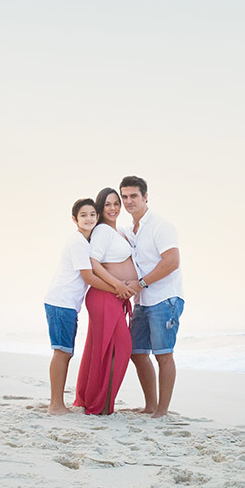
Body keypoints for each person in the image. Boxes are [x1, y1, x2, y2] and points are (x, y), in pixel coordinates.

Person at [43, 198, 116, 415]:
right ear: (75, 219)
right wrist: (117, 289)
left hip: (66, 305)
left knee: (64, 352)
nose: (89, 218)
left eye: (92, 214)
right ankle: (55, 404)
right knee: (62, 352)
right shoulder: (78, 242)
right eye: (83, 215)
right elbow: (89, 276)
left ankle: (56, 402)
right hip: (61, 303)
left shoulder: (84, 242)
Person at [119, 176, 183, 418]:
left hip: (165, 299)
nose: (128, 201)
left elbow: (172, 262)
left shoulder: (160, 226)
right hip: (142, 302)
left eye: (133, 196)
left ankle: (162, 411)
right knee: (136, 351)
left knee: (163, 354)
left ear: (145, 197)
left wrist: (141, 283)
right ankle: (150, 406)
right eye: (124, 197)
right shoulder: (129, 231)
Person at [73, 187, 138, 415]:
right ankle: (99, 404)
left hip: (113, 298)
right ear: (101, 208)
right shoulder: (101, 230)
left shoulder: (119, 231)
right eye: (107, 204)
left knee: (104, 349)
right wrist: (117, 285)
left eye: (116, 203)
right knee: (119, 348)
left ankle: (97, 402)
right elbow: (94, 262)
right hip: (104, 296)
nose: (113, 208)